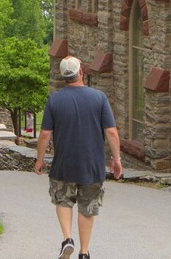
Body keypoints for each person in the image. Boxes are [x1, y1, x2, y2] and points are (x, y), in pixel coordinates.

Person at [35, 55, 122, 259]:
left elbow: (45, 134)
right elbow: (111, 132)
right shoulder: (99, 98)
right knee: (87, 207)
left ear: (64, 76)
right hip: (92, 165)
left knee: (63, 200)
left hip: (63, 164)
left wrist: (39, 160)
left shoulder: (55, 99)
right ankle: (84, 252)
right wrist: (116, 159)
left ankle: (67, 239)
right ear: (81, 71)